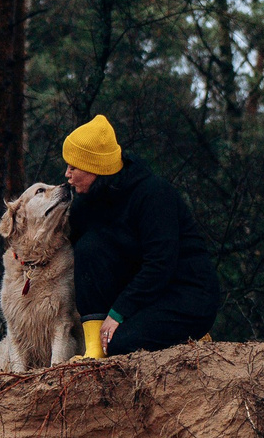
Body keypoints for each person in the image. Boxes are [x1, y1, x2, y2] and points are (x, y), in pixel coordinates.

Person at [61, 113, 222, 355]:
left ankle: (194, 337)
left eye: (74, 167)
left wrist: (118, 312)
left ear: (95, 168)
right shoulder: (87, 201)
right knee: (88, 247)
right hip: (144, 295)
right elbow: (78, 253)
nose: (67, 174)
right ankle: (94, 352)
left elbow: (160, 264)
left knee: (121, 345)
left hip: (186, 295)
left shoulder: (153, 195)